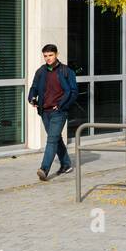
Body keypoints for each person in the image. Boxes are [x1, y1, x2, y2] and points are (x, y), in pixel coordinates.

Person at [28, 44, 79, 182]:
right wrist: (32, 98)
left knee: (51, 140)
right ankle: (66, 164)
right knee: (56, 138)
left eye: (50, 55)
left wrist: (62, 106)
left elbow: (74, 92)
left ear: (56, 54)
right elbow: (34, 87)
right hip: (45, 111)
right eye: (45, 56)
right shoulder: (41, 71)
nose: (48, 58)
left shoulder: (66, 71)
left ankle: (44, 169)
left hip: (59, 112)